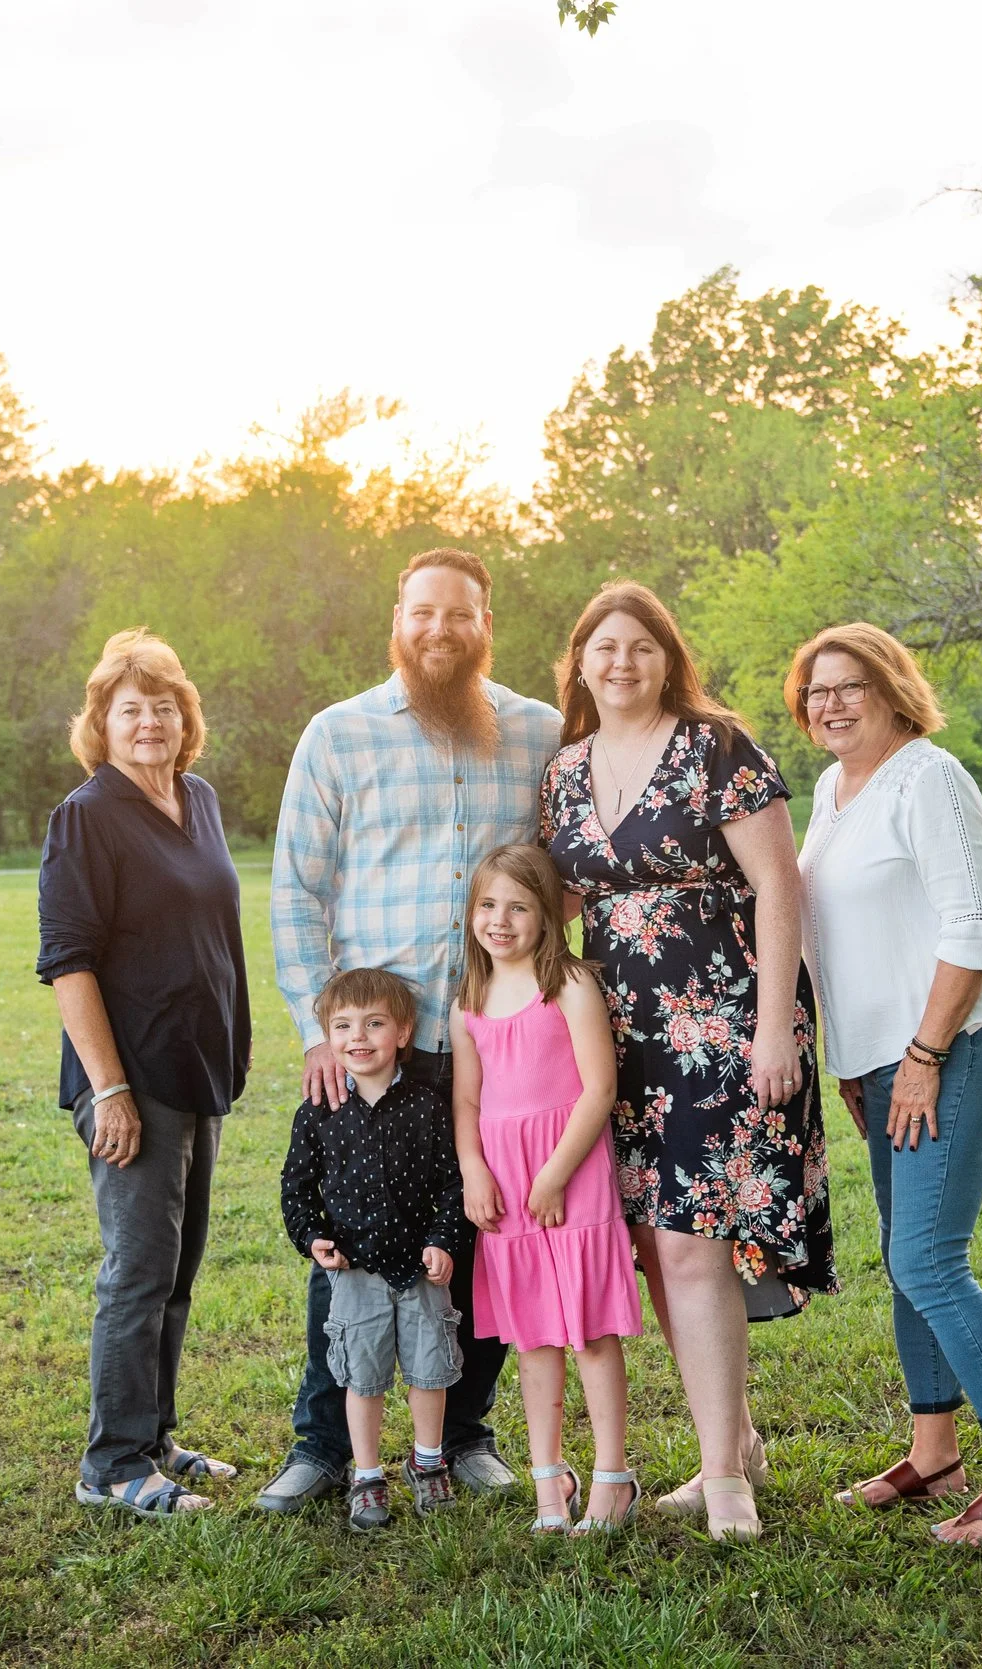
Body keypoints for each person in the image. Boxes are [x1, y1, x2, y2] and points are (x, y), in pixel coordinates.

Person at [259, 547, 565, 1514]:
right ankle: (323, 1442)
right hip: (377, 1046)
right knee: (346, 1237)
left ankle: (463, 1432)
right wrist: (320, 1033)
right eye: (424, 611)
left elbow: (571, 874)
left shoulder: (537, 733)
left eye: (461, 614)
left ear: (486, 622)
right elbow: (296, 889)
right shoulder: (339, 735)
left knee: (476, 1237)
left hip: (493, 1040)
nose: (442, 629)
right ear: (397, 616)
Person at [538, 581, 833, 1543]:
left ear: (669, 659)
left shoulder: (718, 748)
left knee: (691, 1242)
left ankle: (723, 1481)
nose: (622, 663)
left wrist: (776, 1023)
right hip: (615, 1037)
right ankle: (733, 1441)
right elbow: (570, 905)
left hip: (720, 1022)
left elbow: (778, 886)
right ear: (579, 662)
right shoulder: (564, 770)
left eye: (641, 647)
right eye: (604, 647)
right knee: (655, 1248)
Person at [789, 622, 982, 1543]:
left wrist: (922, 1054)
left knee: (928, 1258)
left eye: (849, 685)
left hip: (957, 1040)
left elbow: (971, 927)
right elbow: (841, 935)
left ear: (892, 687)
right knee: (909, 1260)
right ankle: (935, 1452)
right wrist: (858, 1063)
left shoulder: (930, 776)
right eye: (816, 690)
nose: (830, 702)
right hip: (883, 1059)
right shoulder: (833, 787)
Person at [35, 628, 250, 1519]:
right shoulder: (86, 816)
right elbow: (67, 960)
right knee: (136, 1271)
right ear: (103, 724)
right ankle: (113, 1463)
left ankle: (155, 1435)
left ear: (184, 717)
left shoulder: (196, 799)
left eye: (164, 706)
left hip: (196, 1074)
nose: (150, 722)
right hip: (134, 1083)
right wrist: (109, 1088)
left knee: (177, 1267)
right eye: (131, 710)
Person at [449, 844, 643, 1536]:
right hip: (504, 1182)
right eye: (488, 905)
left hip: (569, 1172)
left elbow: (600, 1088)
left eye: (519, 906)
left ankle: (613, 1478)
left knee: (587, 1329)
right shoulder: (468, 1001)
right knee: (532, 1337)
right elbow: (467, 1103)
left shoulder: (569, 984)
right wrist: (474, 1168)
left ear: (548, 914)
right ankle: (547, 1481)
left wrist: (555, 1174)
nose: (500, 920)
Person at [279, 968, 472, 1532]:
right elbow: (297, 1185)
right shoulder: (320, 1110)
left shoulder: (427, 1106)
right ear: (327, 1035)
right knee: (362, 1377)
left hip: (420, 1270)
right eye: (342, 1026)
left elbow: (450, 1182)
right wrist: (312, 1237)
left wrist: (443, 1240)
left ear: (404, 1032)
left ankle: (428, 1461)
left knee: (429, 1370)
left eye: (374, 1023)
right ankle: (366, 1474)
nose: (357, 1037)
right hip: (355, 1270)